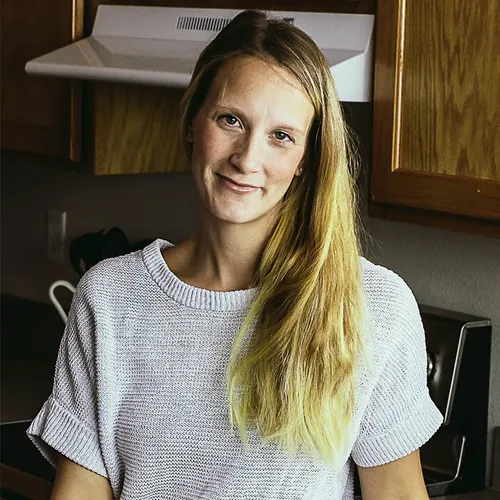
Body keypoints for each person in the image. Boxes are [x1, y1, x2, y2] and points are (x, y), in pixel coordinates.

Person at [27, 10, 443, 499]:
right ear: (192, 123)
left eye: (281, 136)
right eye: (231, 120)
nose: (247, 158)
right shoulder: (110, 298)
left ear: (305, 159)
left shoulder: (373, 307)